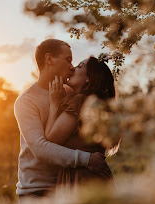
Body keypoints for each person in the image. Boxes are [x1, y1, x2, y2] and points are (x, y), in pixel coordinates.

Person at [14, 39, 108, 203]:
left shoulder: (70, 94)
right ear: (49, 59)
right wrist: (87, 159)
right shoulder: (26, 101)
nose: (72, 67)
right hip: (36, 192)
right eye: (68, 60)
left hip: (68, 189)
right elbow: (41, 148)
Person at [45, 56, 117, 187]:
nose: (72, 69)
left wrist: (54, 104)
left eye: (79, 66)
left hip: (81, 178)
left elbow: (50, 140)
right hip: (98, 178)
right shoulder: (99, 105)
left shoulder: (79, 102)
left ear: (89, 78)